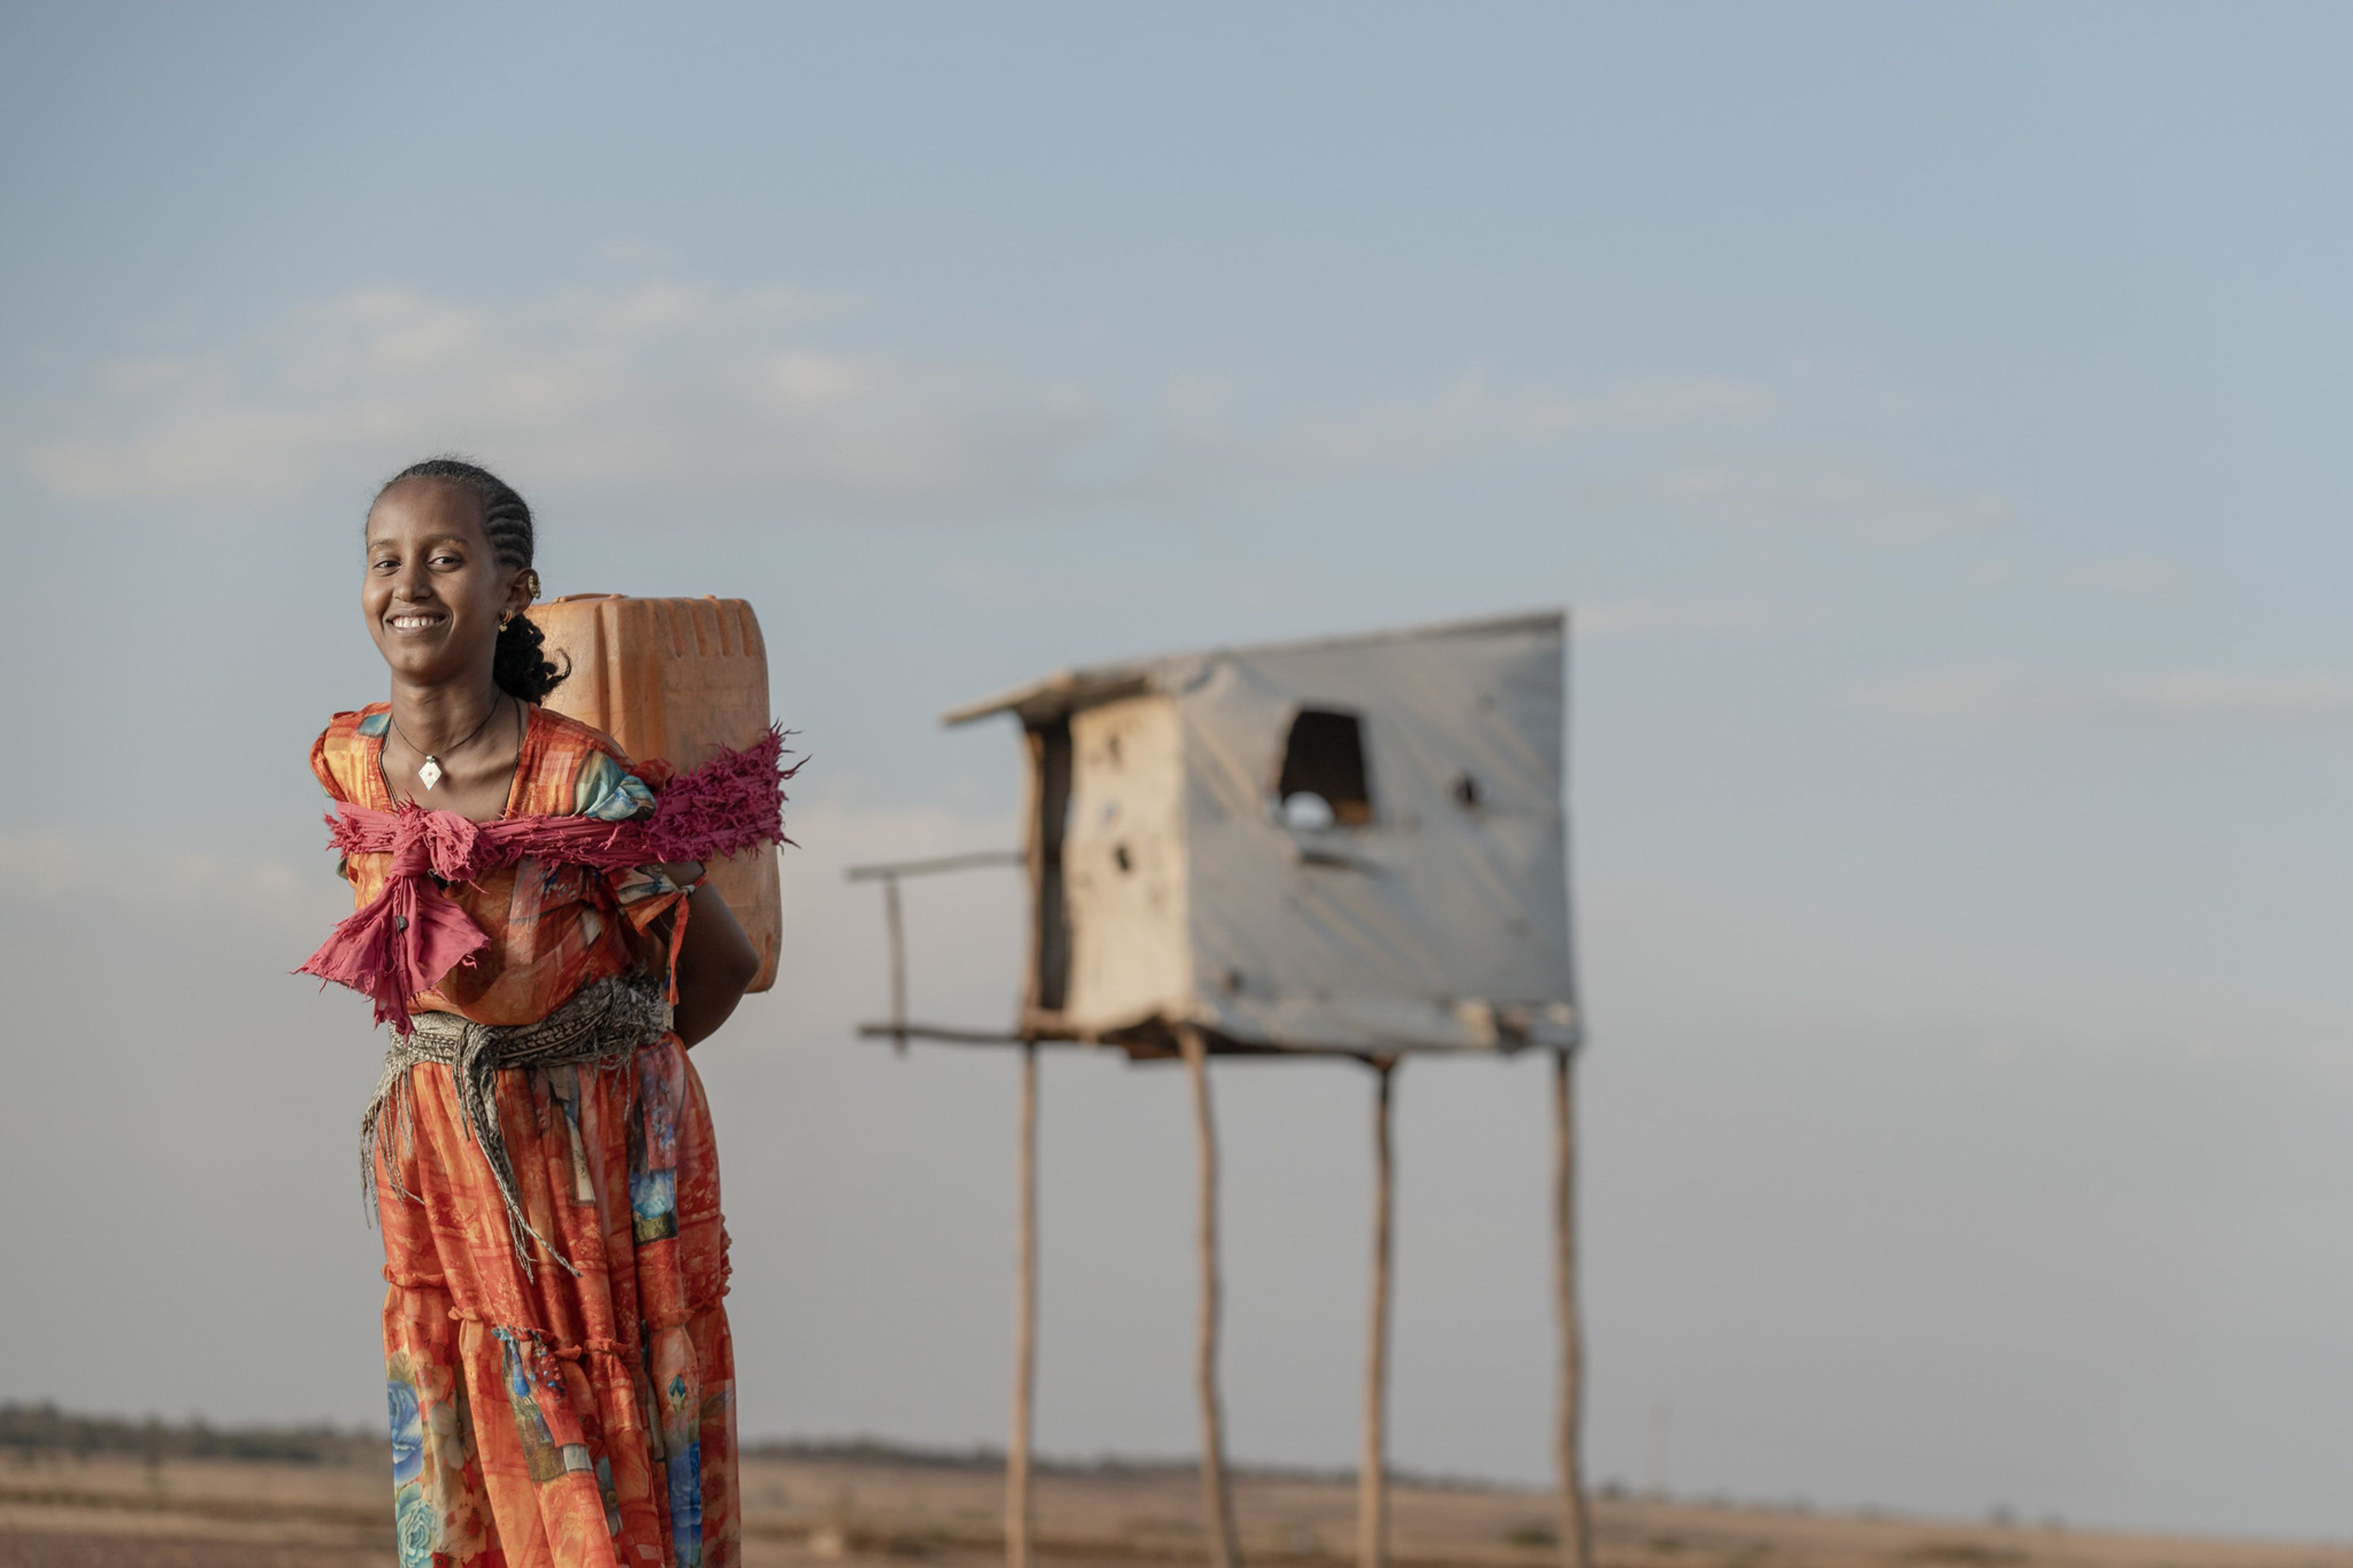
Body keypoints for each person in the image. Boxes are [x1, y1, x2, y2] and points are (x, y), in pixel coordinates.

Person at [310, 457, 761, 1568]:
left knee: (601, 1451)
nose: (409, 583)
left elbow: (719, 967)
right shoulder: (350, 760)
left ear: (515, 590)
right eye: (386, 560)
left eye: (447, 557)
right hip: (446, 1163)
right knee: (467, 1431)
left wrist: (584, 1089)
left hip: (593, 1175)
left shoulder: (582, 785)